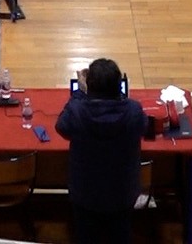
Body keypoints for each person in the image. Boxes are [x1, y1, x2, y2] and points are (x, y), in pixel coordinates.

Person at [56, 57, 147, 244]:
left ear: (89, 87)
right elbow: (144, 127)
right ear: (119, 85)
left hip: (85, 194)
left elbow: (61, 127)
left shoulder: (77, 111)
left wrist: (80, 94)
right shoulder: (133, 111)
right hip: (122, 193)